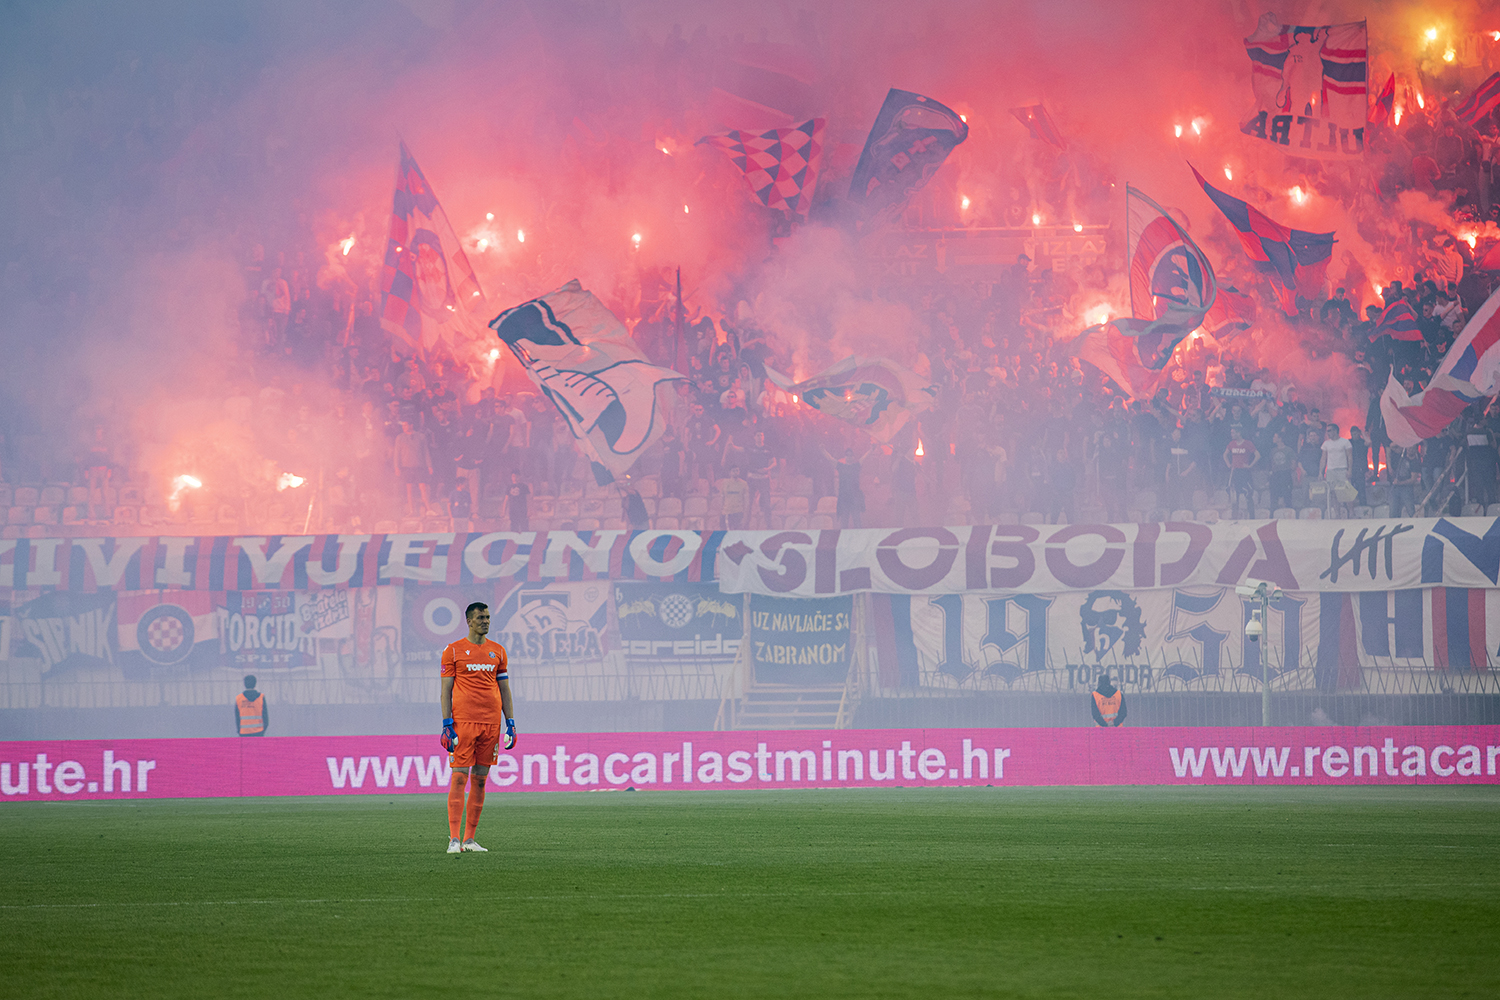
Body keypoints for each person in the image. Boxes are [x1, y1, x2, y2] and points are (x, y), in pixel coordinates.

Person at [440, 602, 515, 854]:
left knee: (481, 781)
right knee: (459, 777)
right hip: (463, 723)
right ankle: (453, 839)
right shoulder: (453, 651)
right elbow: (446, 691)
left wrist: (511, 721)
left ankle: (469, 840)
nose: (486, 621)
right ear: (469, 621)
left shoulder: (498, 652)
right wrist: (446, 723)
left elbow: (504, 689)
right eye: (481, 617)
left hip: (491, 724)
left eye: (488, 617)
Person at [1222, 425, 1260, 519]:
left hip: (1244, 472)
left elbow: (1258, 455)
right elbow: (1225, 455)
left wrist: (1250, 465)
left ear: (1239, 433)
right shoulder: (1231, 444)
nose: (1231, 434)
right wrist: (1228, 464)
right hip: (1235, 472)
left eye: (1233, 432)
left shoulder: (1247, 443)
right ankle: (1234, 518)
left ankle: (1252, 518)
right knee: (1235, 495)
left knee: (1248, 494)